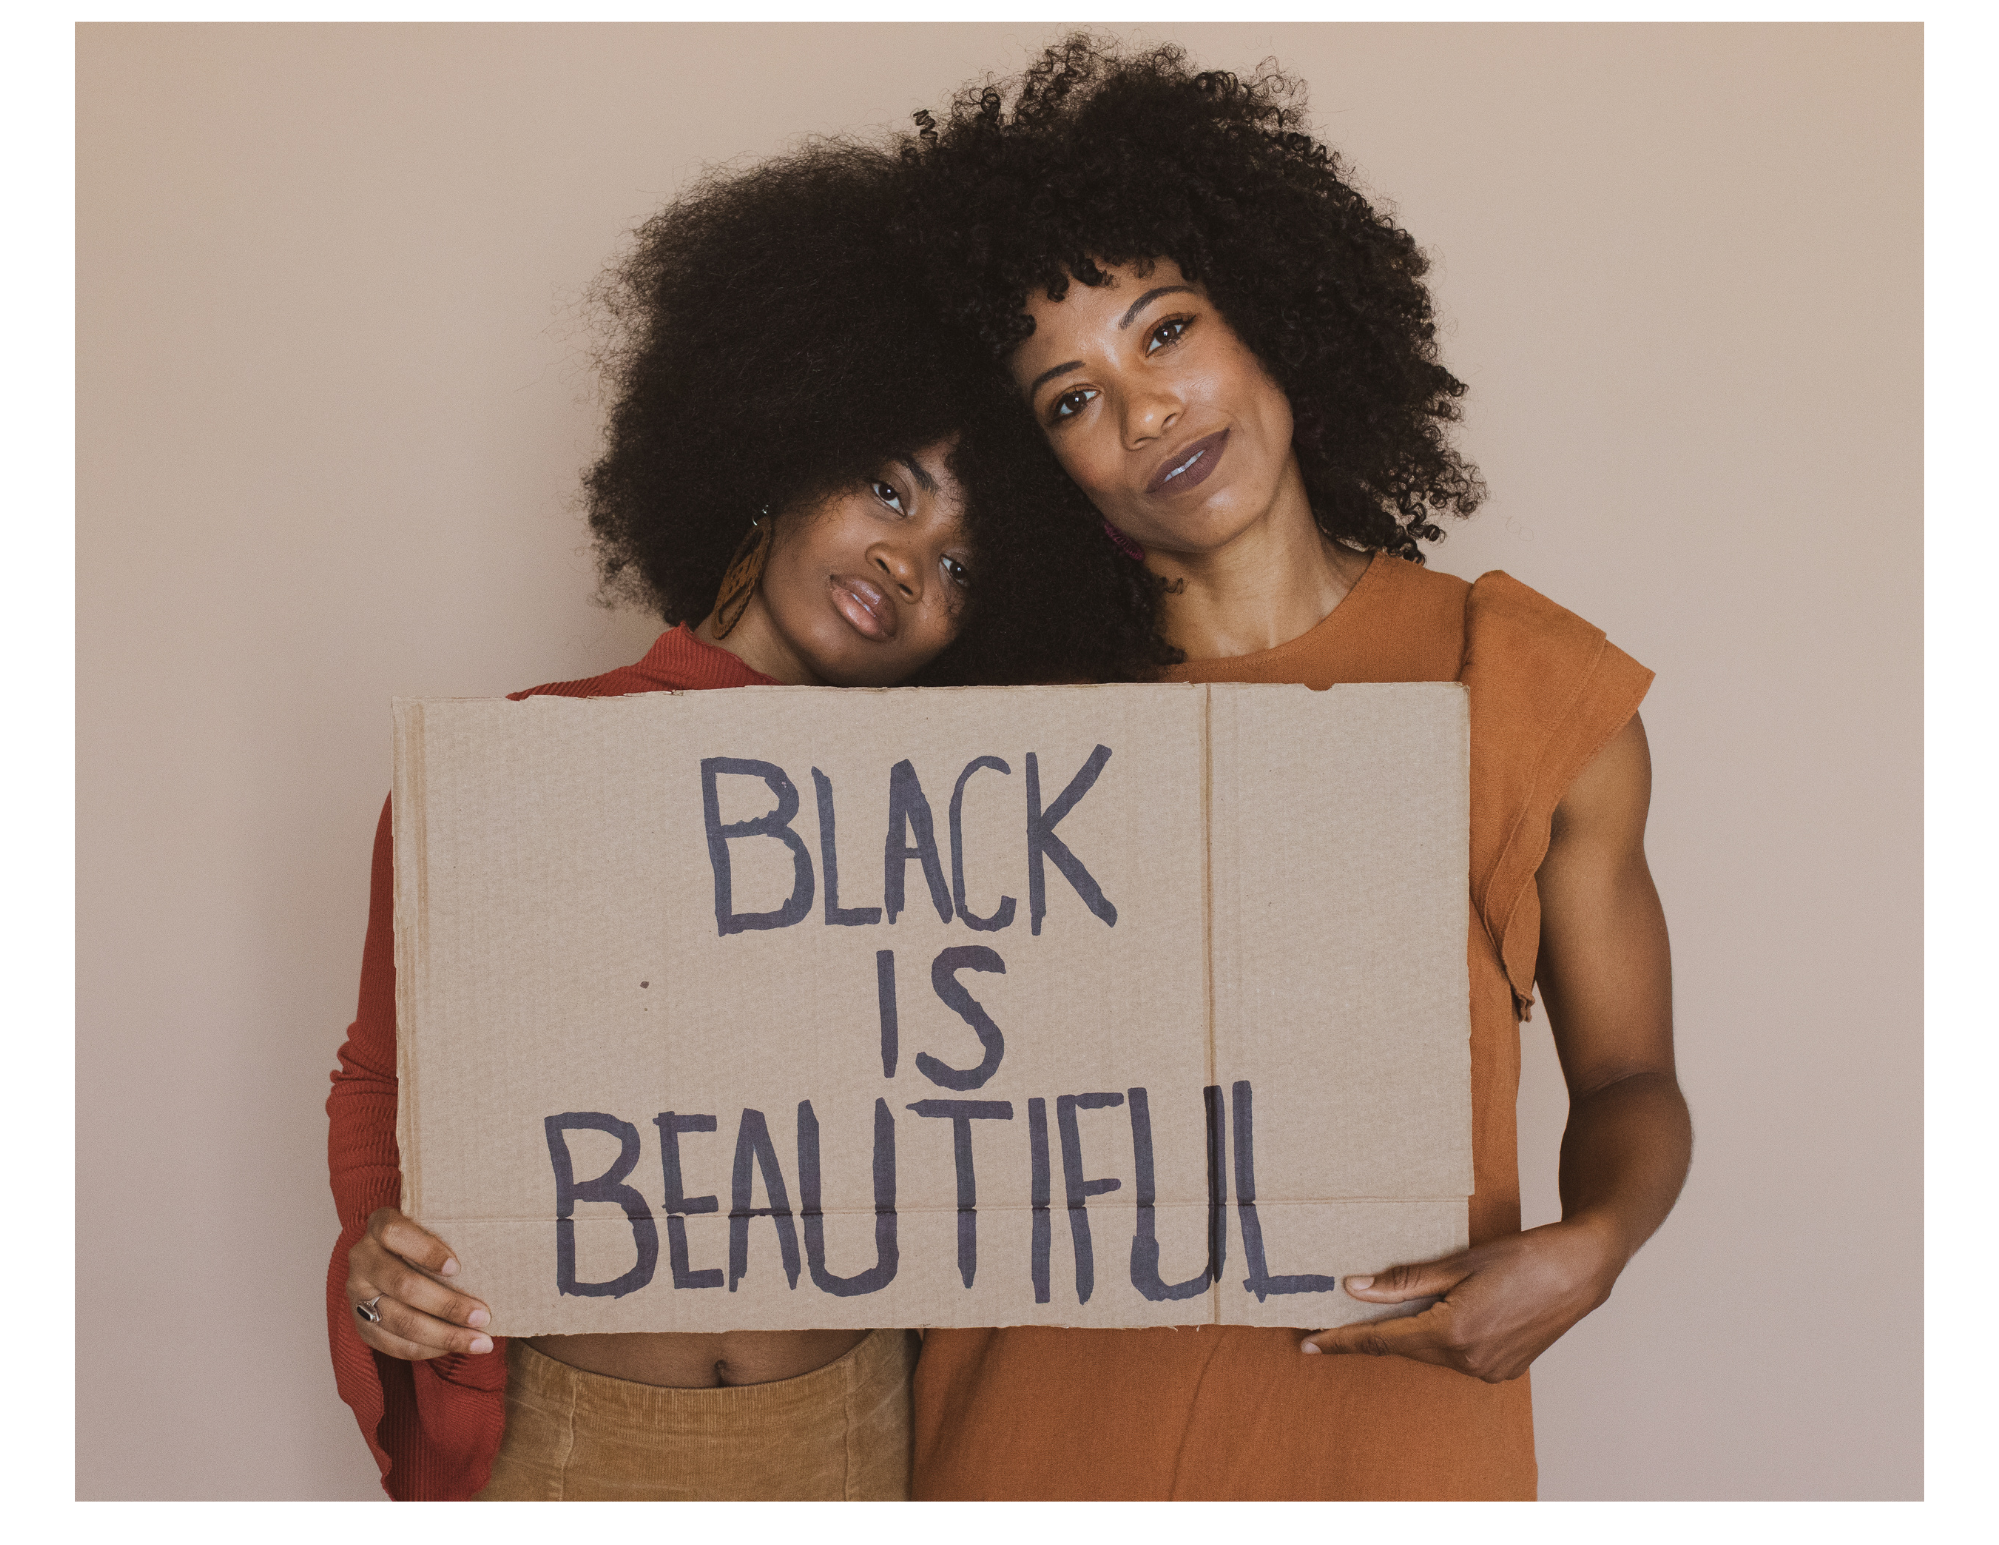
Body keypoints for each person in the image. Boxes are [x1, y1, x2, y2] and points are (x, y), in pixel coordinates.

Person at [900, 38, 1693, 1504]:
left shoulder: (1513, 683)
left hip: (1386, 1436)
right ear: (1035, 467)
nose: (1141, 412)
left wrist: (1594, 1245)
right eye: (1065, 399)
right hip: (1034, 1442)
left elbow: (1631, 1076)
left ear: (1272, 316)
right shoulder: (984, 729)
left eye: (1164, 330)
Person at [325, 144, 1133, 1505]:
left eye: (959, 569)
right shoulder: (513, 769)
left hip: (853, 1436)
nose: (904, 560)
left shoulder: (948, 851)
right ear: (776, 459)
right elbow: (380, 1080)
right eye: (887, 488)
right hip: (562, 1439)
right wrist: (372, 1259)